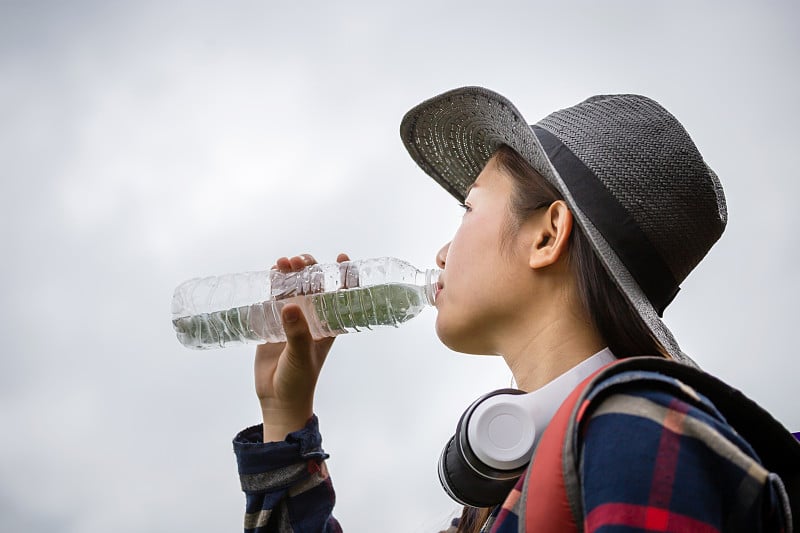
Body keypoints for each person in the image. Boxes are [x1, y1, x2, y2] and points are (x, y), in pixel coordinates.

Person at [232, 87, 793, 532]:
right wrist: (287, 414)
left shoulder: (636, 435)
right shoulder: (529, 482)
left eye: (467, 205)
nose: (442, 253)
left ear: (547, 236)